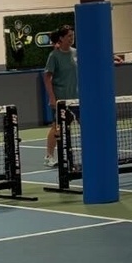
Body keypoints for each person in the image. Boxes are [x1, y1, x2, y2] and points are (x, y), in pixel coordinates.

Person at [42, 27, 78, 168]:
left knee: (86, 124)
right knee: (57, 128)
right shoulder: (54, 56)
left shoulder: (76, 52)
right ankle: (49, 156)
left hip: (76, 98)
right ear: (61, 38)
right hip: (61, 99)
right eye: (69, 36)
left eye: (72, 35)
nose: (71, 38)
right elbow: (47, 78)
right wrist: (52, 98)